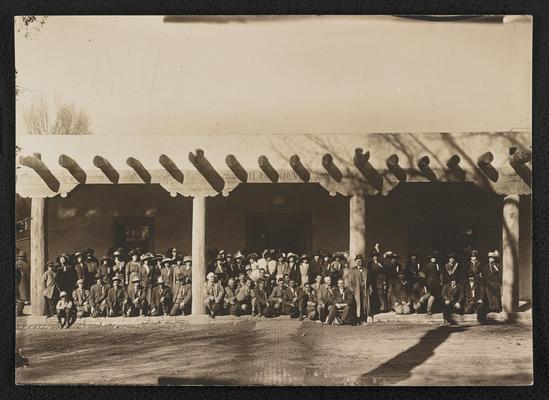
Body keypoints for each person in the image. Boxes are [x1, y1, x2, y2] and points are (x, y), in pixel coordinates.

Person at [343, 254, 365, 324]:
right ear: (356, 261)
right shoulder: (352, 270)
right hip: (356, 290)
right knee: (356, 305)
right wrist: (352, 289)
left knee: (364, 305)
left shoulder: (365, 270)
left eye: (361, 261)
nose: (359, 262)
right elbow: (349, 281)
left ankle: (363, 319)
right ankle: (356, 320)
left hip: (363, 290)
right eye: (358, 261)